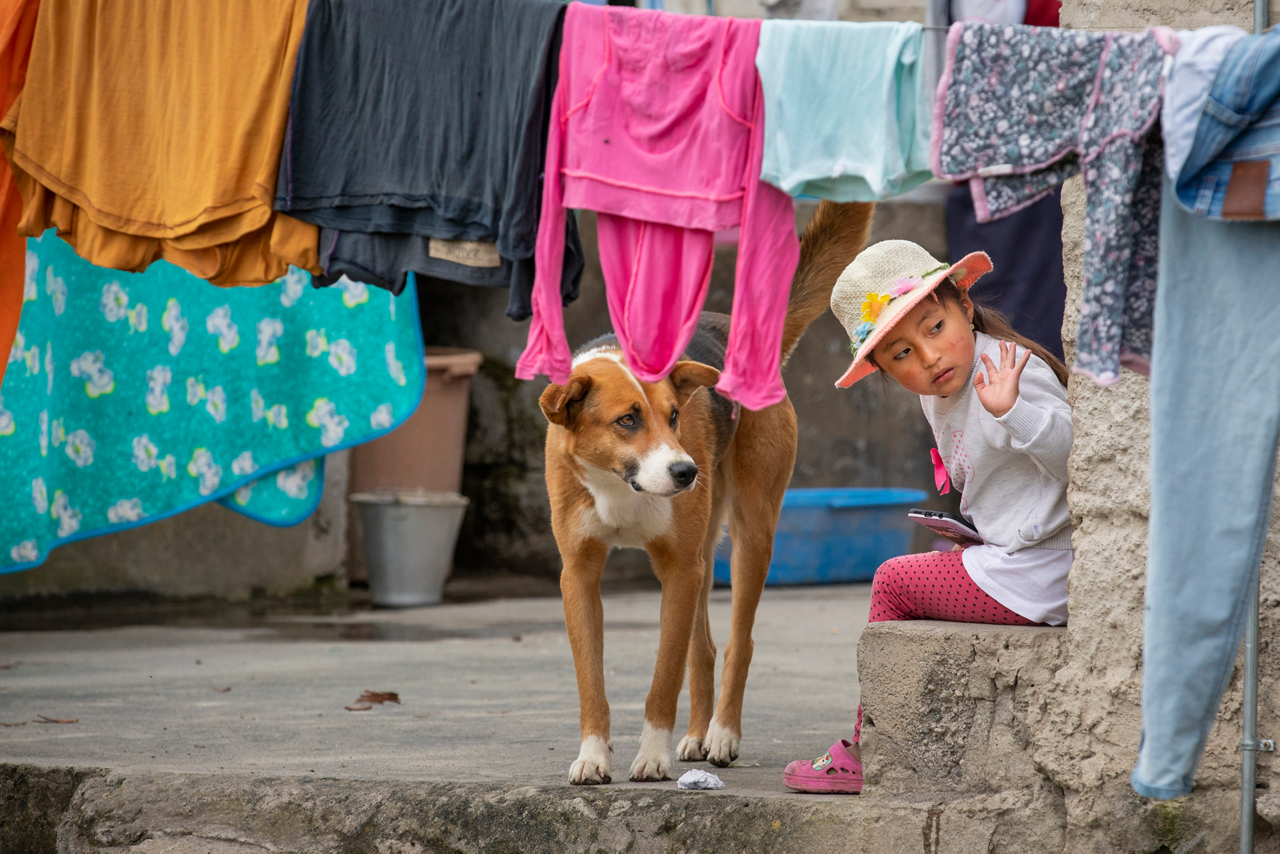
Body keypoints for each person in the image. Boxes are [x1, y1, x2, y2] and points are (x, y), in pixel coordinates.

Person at [782, 239, 1073, 794]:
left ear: (963, 303)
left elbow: (1077, 460)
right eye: (901, 354)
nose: (929, 357)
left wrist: (1015, 411)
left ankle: (868, 745)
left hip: (1044, 571)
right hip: (1014, 558)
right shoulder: (943, 390)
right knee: (933, 560)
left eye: (934, 327)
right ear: (883, 370)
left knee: (894, 580)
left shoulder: (1008, 370)